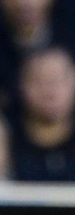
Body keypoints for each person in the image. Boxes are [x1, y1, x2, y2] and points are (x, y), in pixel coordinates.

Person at [11, 45, 75, 182]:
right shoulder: (4, 140)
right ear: (22, 85)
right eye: (39, 80)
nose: (49, 90)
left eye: (58, 79)